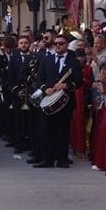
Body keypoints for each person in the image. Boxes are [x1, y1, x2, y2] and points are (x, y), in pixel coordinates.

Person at [34, 34, 82, 168]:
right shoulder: (46, 60)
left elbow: (78, 81)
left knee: (63, 130)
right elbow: (39, 79)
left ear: (67, 45)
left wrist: (66, 85)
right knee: (47, 130)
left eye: (61, 43)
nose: (58, 46)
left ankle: (62, 159)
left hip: (65, 102)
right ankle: (48, 159)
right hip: (49, 99)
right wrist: (45, 89)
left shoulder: (73, 62)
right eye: (56, 44)